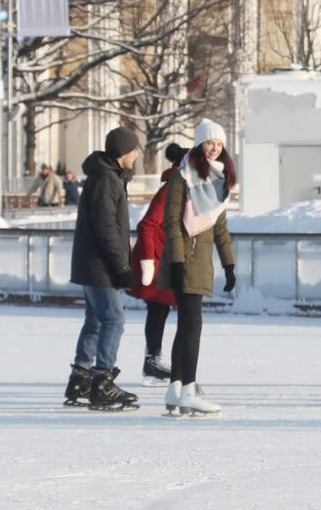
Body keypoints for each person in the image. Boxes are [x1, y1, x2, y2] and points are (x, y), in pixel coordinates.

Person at [158, 119, 237, 417]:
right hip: (185, 260)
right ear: (199, 145)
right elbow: (171, 222)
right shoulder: (182, 177)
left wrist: (229, 264)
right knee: (192, 326)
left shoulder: (219, 181)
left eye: (218, 144)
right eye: (209, 143)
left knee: (186, 326)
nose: (214, 148)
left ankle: (176, 387)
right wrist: (177, 262)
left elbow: (220, 229)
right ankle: (189, 390)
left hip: (201, 262)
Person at [63, 127, 142, 411]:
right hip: (100, 265)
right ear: (123, 152)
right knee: (113, 319)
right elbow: (106, 228)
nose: (136, 155)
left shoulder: (106, 176)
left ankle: (81, 378)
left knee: (96, 320)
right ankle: (102, 380)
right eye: (134, 149)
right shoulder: (107, 179)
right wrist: (122, 266)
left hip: (92, 262)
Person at [128, 143, 186, 385]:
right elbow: (147, 224)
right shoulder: (172, 189)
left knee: (159, 309)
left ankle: (153, 359)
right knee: (160, 308)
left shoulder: (180, 186)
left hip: (165, 256)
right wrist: (148, 262)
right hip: (158, 259)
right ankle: (154, 360)